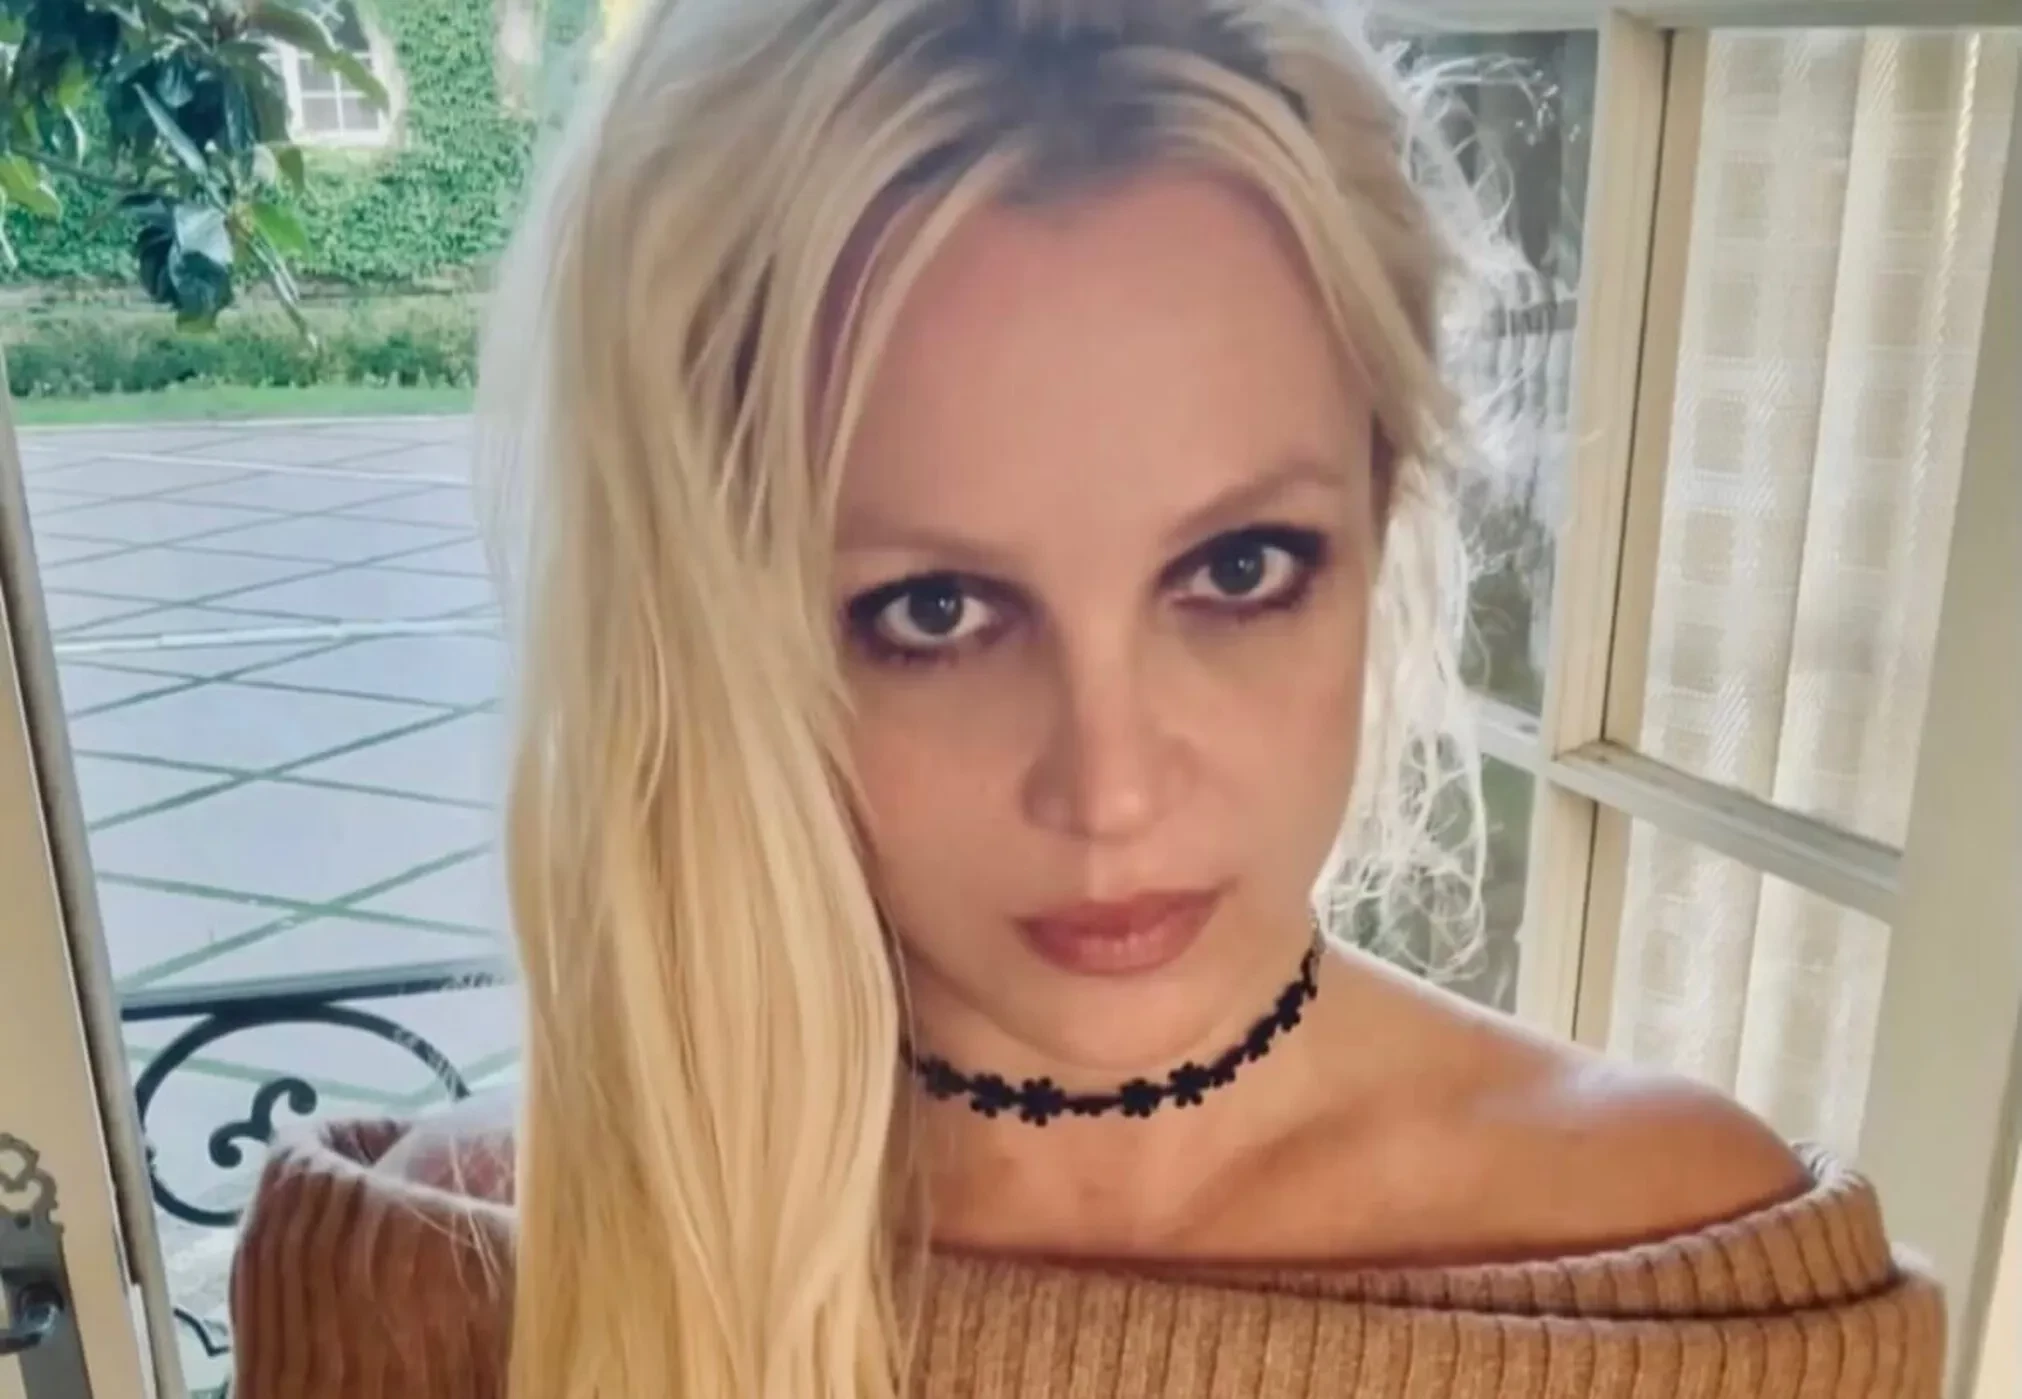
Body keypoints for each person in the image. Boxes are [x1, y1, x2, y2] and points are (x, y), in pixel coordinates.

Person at [228, 1, 1944, 1396]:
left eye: (1238, 569)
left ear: (1381, 513)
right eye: (935, 610)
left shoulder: (1695, 1291)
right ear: (714, 627)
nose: (1110, 790)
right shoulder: (448, 1278)